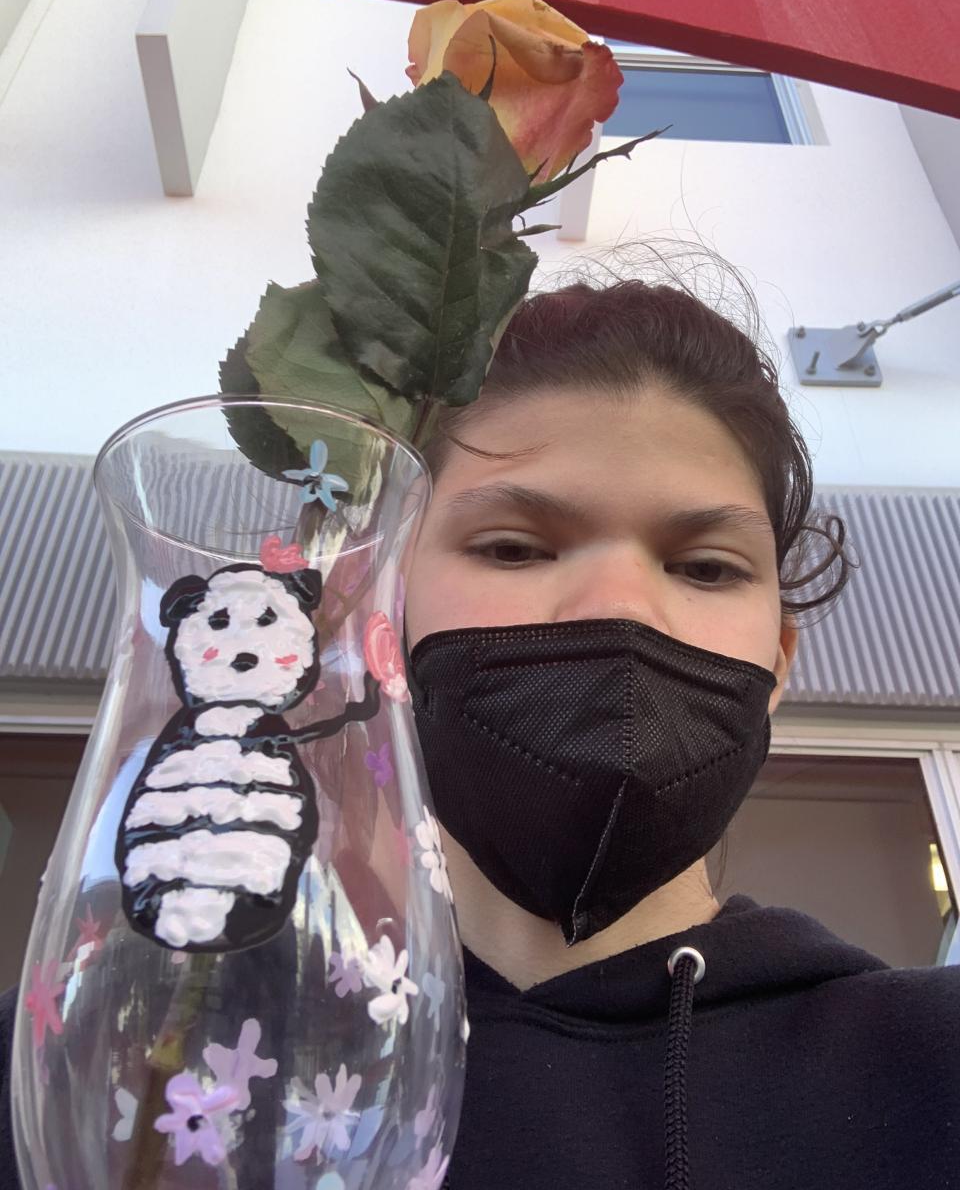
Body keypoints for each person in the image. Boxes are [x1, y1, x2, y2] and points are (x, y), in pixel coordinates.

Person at [1, 263, 957, 1189]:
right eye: (513, 547)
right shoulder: (96, 1057)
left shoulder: (931, 1072)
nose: (619, 608)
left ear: (778, 662)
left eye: (705, 567)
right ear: (376, 611)